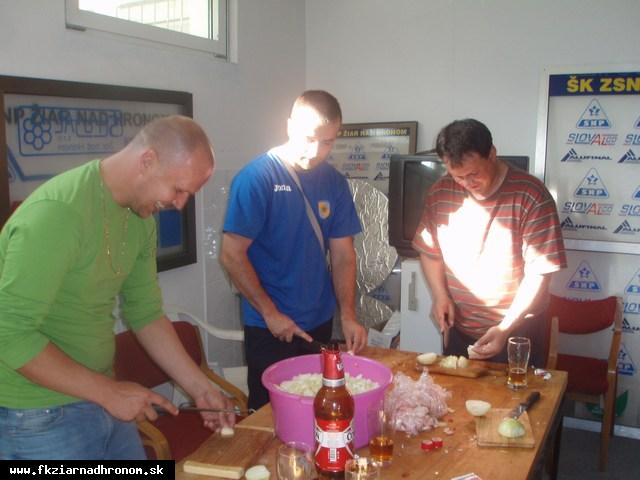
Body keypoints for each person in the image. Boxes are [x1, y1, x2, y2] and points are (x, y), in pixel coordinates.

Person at [0, 115, 235, 460]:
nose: (180, 204)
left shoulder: (140, 219)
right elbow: (9, 333)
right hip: (37, 415)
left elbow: (146, 313)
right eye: (178, 189)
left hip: (100, 395)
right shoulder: (58, 213)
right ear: (147, 161)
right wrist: (108, 392)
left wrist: (200, 388)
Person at [221, 90, 368, 410]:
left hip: (318, 322)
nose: (316, 152)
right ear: (289, 127)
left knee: (320, 406)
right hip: (269, 326)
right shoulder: (256, 178)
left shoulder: (334, 182)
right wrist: (270, 313)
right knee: (269, 415)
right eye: (309, 138)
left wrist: (348, 315)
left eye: (327, 142)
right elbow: (231, 254)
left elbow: (343, 255)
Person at [413, 119, 566, 366]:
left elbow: (539, 274)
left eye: (473, 174)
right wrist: (440, 295)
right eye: (458, 176)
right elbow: (430, 251)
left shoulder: (531, 195)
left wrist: (505, 327)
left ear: (492, 154)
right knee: (457, 390)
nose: (467, 183)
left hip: (518, 330)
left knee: (517, 391)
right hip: (460, 328)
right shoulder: (441, 192)